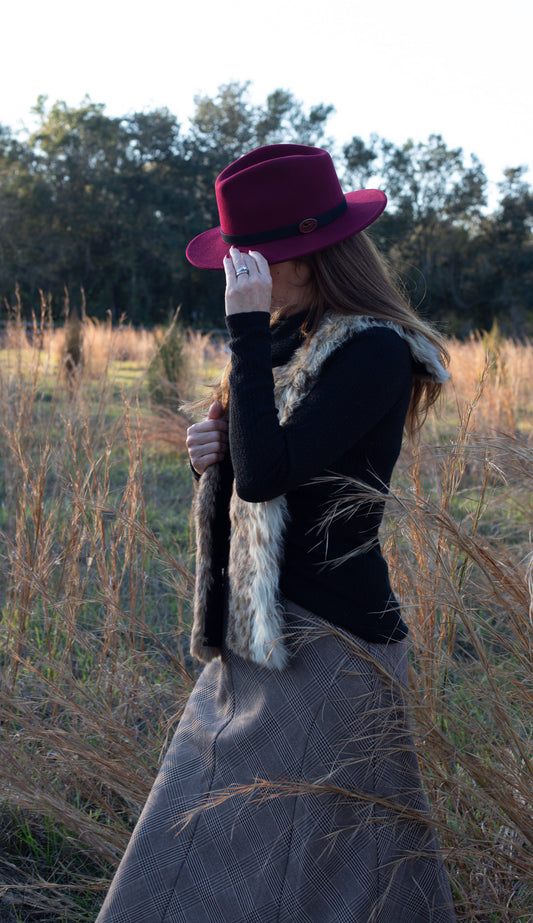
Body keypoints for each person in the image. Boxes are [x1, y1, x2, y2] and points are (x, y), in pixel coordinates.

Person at [97, 144, 456, 922]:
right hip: (266, 634)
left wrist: (244, 333)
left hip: (330, 644)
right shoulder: (288, 336)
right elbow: (259, 472)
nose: (236, 274)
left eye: (249, 259)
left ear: (303, 256)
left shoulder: (370, 351)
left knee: (296, 855)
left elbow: (271, 475)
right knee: (261, 845)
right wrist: (211, 458)